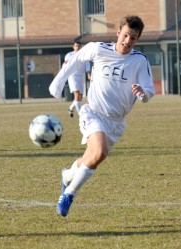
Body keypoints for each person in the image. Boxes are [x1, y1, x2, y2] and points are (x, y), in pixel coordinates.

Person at [49, 15, 155, 217]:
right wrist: (58, 81)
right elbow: (76, 58)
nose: (127, 41)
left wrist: (143, 94)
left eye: (133, 38)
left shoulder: (139, 61)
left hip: (117, 122)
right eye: (125, 35)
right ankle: (69, 194)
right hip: (94, 112)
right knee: (100, 152)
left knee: (91, 158)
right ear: (118, 33)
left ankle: (67, 176)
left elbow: (148, 91)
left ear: (137, 39)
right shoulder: (99, 49)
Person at [64, 41, 91, 117]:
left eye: (79, 46)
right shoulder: (69, 55)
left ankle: (70, 108)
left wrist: (89, 74)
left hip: (81, 77)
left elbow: (87, 66)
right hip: (72, 77)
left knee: (79, 98)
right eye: (76, 46)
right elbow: (65, 66)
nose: (77, 47)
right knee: (77, 95)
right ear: (73, 47)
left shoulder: (85, 56)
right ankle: (81, 115)